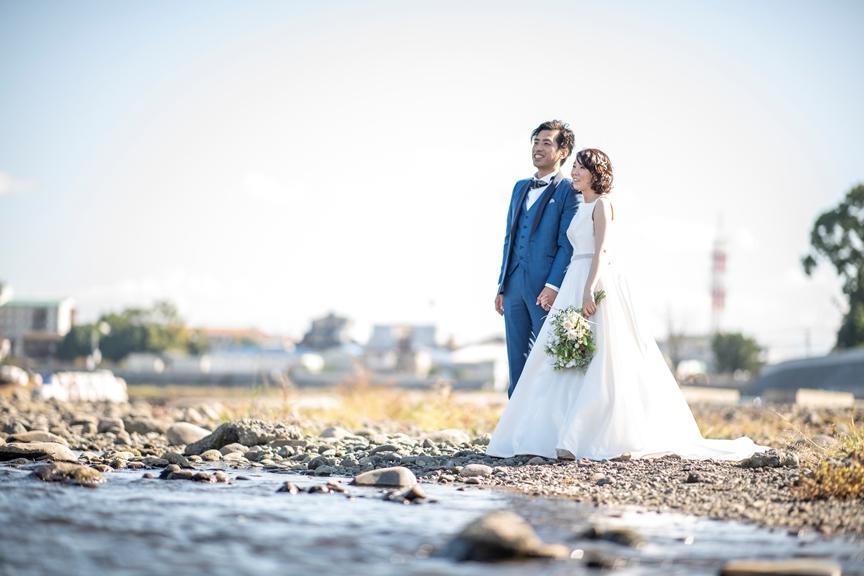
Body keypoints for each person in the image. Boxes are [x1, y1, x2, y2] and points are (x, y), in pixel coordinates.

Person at [487, 148, 768, 461]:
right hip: (573, 280)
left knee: (602, 358)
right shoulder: (582, 205)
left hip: (594, 280)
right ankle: (555, 431)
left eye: (580, 168)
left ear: (595, 173)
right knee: (563, 355)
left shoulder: (603, 205)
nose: (575, 173)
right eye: (575, 167)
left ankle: (592, 434)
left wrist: (589, 289)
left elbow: (600, 252)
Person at [496, 120, 580, 398]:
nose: (538, 148)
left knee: (548, 356)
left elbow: (567, 244)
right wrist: (501, 286)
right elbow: (509, 238)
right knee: (515, 359)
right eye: (536, 142)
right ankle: (514, 428)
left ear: (563, 151)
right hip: (513, 287)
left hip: (545, 288)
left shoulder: (569, 190)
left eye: (547, 143)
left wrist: (554, 285)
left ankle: (546, 426)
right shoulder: (519, 187)